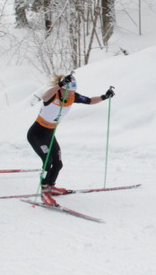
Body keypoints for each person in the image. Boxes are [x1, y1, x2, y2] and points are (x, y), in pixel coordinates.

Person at [27, 73, 115, 206]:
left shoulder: (73, 96)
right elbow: (44, 97)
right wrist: (59, 85)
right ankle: (44, 193)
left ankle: (51, 187)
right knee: (47, 161)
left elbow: (90, 100)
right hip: (36, 135)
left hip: (49, 135)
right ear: (61, 87)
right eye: (67, 91)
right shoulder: (53, 95)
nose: (70, 94)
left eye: (72, 91)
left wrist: (104, 96)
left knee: (58, 163)